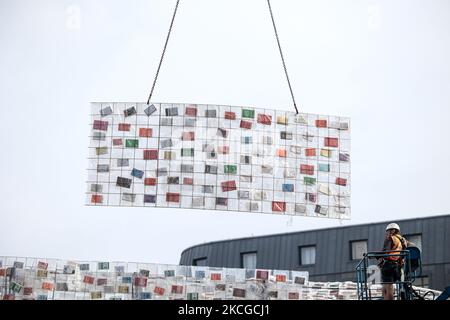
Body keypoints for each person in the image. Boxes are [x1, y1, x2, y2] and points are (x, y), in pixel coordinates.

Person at [379, 223, 411, 300]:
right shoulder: (403, 240)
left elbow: (385, 251)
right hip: (398, 267)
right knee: (386, 286)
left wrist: (376, 256)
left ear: (393, 230)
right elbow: (412, 246)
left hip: (389, 265)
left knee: (388, 288)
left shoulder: (390, 238)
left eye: (389, 230)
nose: (388, 233)